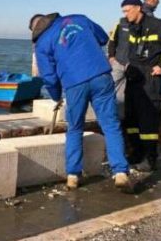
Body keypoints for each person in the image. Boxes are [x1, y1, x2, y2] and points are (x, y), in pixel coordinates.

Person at [31, 12, 130, 190]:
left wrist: (56, 96)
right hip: (101, 75)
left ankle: (73, 176)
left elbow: (49, 77)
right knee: (110, 125)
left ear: (35, 30)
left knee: (75, 128)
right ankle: (121, 172)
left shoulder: (42, 44)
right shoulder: (78, 19)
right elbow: (103, 38)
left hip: (74, 84)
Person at [120, 0, 161, 171]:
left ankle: (150, 158)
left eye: (127, 11)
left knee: (148, 119)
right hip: (133, 78)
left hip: (150, 79)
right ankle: (135, 153)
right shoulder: (133, 27)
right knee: (131, 119)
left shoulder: (158, 25)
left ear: (138, 7)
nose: (125, 15)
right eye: (123, 12)